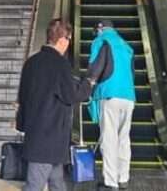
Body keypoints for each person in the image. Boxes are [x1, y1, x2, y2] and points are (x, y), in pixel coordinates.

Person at [16, 19, 94, 191]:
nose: (68, 44)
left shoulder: (31, 62)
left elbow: (22, 97)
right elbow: (71, 96)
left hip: (38, 135)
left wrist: (21, 125)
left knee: (57, 182)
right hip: (50, 137)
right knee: (34, 185)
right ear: (62, 40)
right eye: (69, 40)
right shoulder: (60, 64)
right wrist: (88, 84)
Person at [87, 20, 135, 190]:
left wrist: (88, 85)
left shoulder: (101, 41)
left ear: (100, 28)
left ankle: (110, 182)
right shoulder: (126, 45)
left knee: (109, 139)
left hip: (109, 94)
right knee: (123, 138)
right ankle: (123, 177)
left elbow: (95, 67)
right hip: (129, 96)